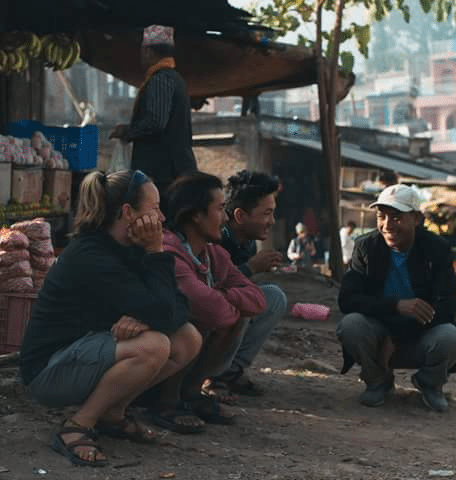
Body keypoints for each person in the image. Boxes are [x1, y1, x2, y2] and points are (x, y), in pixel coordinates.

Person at [20, 169, 202, 466]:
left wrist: (146, 316)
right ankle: (77, 425)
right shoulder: (92, 255)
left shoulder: (129, 247)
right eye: (155, 209)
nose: (162, 219)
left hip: (87, 351)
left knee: (187, 338)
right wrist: (157, 253)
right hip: (49, 370)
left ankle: (112, 414)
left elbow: (180, 307)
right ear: (128, 212)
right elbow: (165, 310)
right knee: (154, 345)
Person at [336, 184, 456, 412]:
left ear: (416, 219)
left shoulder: (437, 249)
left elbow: (445, 308)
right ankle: (378, 381)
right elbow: (347, 299)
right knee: (351, 325)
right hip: (378, 337)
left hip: (420, 336)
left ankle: (430, 383)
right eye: (381, 216)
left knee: (451, 337)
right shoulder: (366, 247)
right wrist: (395, 306)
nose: (387, 225)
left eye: (396, 217)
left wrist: (396, 337)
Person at [160, 172, 267, 424]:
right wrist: (223, 300)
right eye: (220, 209)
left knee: (234, 316)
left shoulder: (213, 254)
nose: (226, 218)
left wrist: (220, 296)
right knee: (199, 322)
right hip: (156, 353)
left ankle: (191, 392)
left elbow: (258, 300)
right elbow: (215, 311)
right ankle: (164, 402)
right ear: (195, 215)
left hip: (190, 340)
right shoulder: (169, 251)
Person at [202, 170, 287, 399]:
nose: (272, 221)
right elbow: (209, 291)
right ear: (239, 216)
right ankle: (211, 376)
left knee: (274, 297)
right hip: (205, 319)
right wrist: (251, 268)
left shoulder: (247, 242)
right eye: (267, 213)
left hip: (227, 312)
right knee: (241, 303)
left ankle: (231, 370)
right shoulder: (215, 239)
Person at [110, 25, 197, 196]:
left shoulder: (161, 79)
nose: (141, 56)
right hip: (174, 171)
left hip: (164, 174)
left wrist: (127, 132)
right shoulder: (174, 78)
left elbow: (155, 122)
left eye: (143, 51)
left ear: (149, 52)